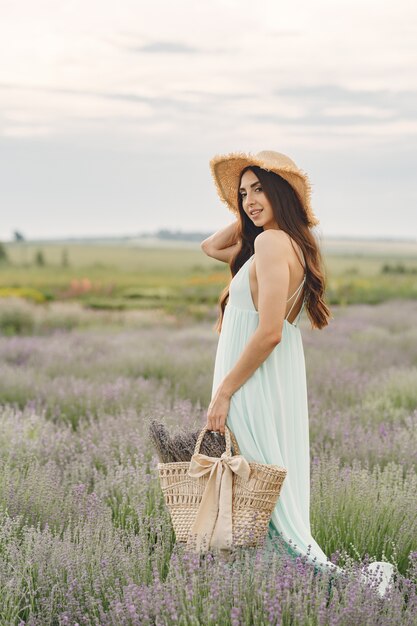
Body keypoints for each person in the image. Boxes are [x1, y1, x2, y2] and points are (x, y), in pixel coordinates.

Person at [200, 150, 394, 598]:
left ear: (283, 192)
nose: (249, 199)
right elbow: (210, 247)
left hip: (248, 383)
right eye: (242, 193)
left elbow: (268, 332)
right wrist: (249, 213)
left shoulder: (271, 244)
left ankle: (295, 590)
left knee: (251, 486)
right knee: (256, 486)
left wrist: (224, 391)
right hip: (265, 379)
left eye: (260, 189)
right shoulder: (280, 241)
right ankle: (271, 589)